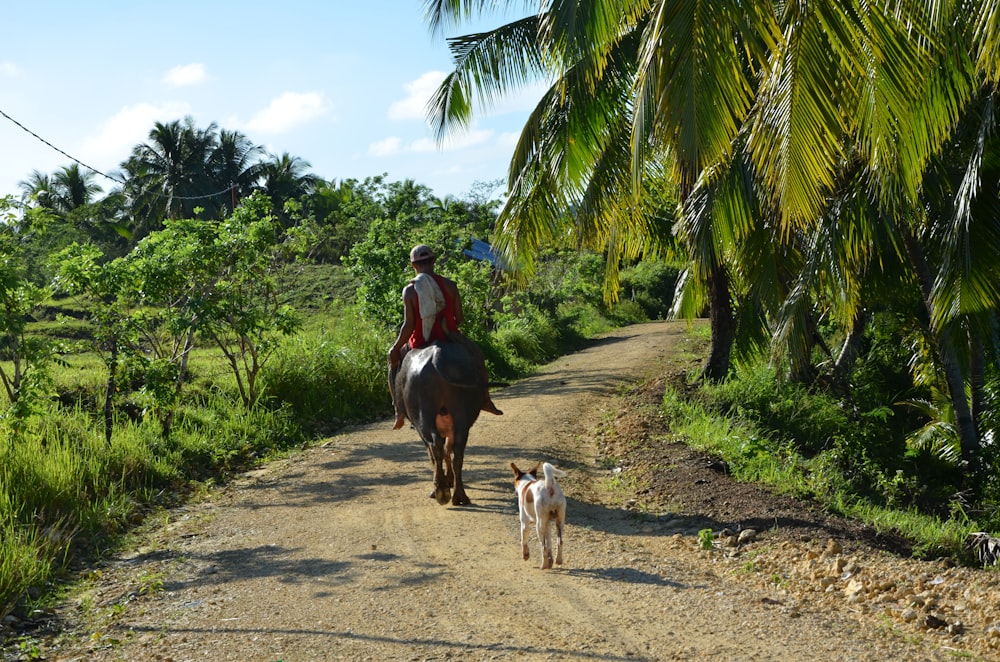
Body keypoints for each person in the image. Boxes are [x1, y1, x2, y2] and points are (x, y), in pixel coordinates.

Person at [388, 244, 503, 429]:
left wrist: (395, 348)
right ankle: (485, 399)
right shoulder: (450, 286)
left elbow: (409, 325)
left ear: (413, 266)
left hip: (419, 342)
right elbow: (460, 318)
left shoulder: (409, 291)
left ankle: (399, 410)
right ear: (434, 261)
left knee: (393, 363)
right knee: (477, 355)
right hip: (450, 337)